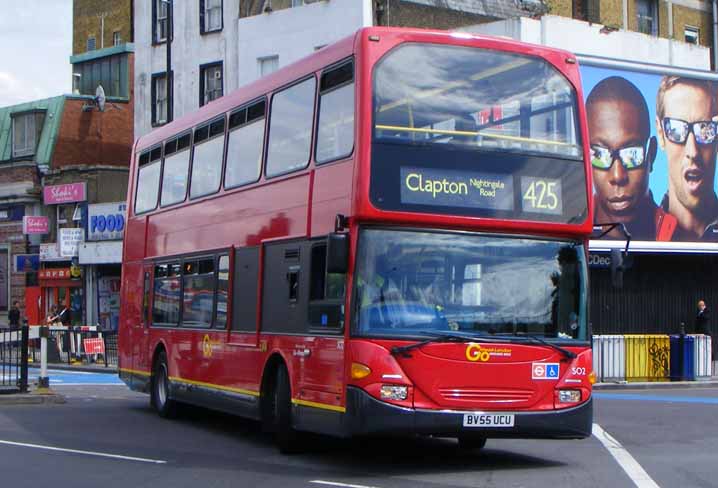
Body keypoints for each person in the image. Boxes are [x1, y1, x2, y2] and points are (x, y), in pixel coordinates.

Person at [586, 76, 677, 240]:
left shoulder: (680, 236)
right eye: (600, 154)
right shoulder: (569, 238)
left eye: (632, 154)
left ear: (652, 155)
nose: (617, 176)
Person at [655, 76, 718, 241]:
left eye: (705, 129)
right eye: (676, 129)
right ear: (661, 134)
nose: (693, 151)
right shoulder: (640, 232)